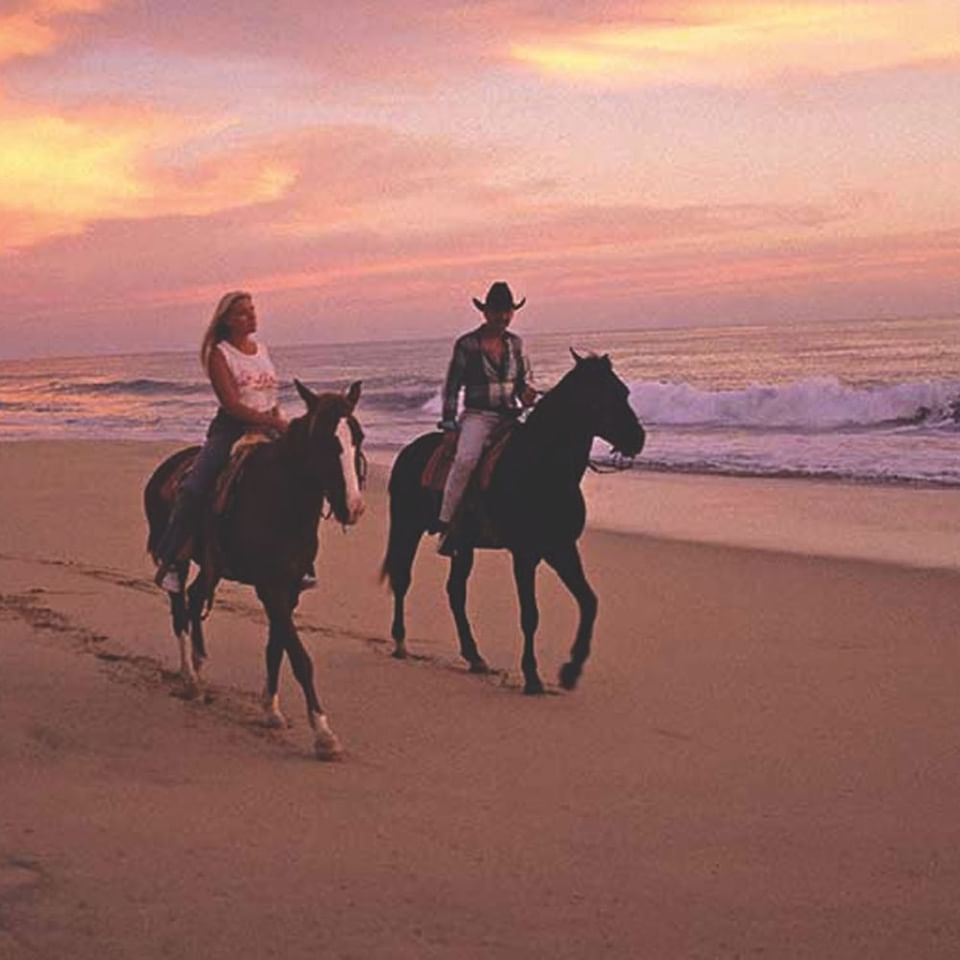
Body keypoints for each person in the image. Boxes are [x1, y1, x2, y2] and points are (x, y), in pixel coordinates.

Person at [153, 290, 289, 592]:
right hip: (232, 429)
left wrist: (281, 421)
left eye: (252, 310)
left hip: (269, 425)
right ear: (227, 320)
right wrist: (272, 421)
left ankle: (299, 561)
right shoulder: (220, 354)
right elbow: (231, 404)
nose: (251, 316)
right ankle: (171, 558)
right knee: (194, 487)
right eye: (242, 312)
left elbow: (270, 395)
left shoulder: (261, 350)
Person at [436, 281, 537, 554]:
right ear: (485, 312)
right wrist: (449, 425)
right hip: (478, 416)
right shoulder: (467, 344)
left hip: (509, 415)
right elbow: (452, 388)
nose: (503, 317)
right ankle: (446, 525)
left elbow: (519, 383)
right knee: (466, 460)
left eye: (508, 312)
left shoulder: (516, 343)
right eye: (497, 312)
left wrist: (526, 393)